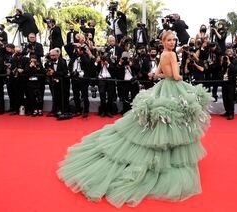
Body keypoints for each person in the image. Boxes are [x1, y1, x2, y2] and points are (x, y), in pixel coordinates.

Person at [57, 30, 212, 208]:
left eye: (173, 40)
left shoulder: (162, 54)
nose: (172, 42)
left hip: (163, 88)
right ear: (163, 41)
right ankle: (168, 157)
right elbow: (175, 76)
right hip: (174, 88)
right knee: (172, 123)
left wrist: (169, 74)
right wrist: (181, 77)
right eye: (169, 40)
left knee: (161, 122)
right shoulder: (172, 55)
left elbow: (158, 74)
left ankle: (163, 152)